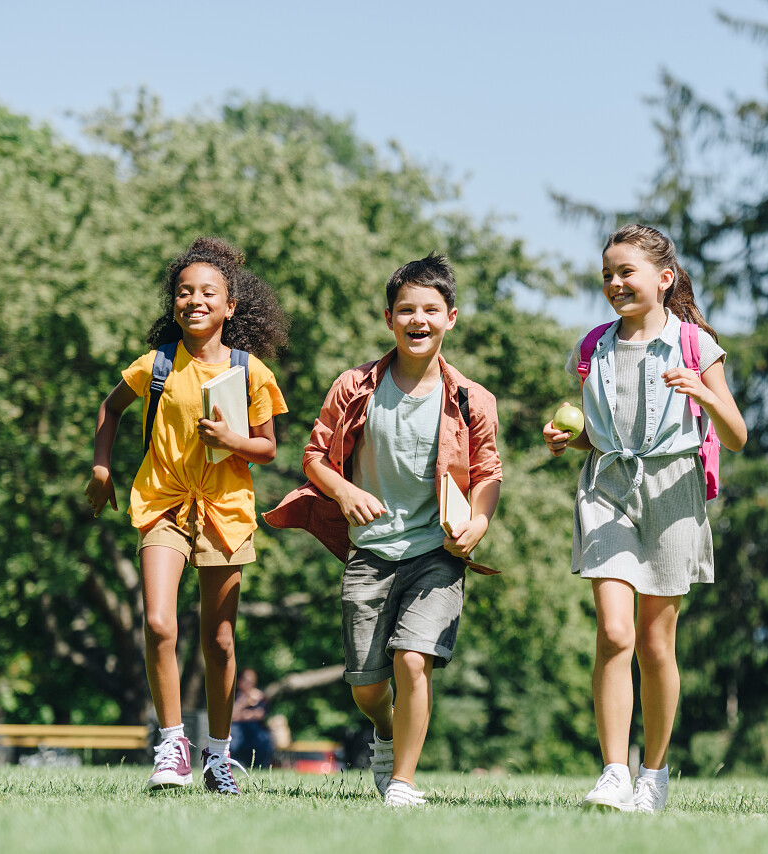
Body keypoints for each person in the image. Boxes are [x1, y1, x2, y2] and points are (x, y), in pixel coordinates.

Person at [543, 225, 746, 814]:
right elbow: (601, 434)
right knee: (614, 632)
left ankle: (653, 774)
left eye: (626, 272)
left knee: (656, 643)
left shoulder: (696, 346)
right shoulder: (593, 348)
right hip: (607, 489)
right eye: (607, 274)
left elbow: (735, 435)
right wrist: (571, 438)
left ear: (664, 277)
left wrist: (703, 395)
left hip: (674, 491)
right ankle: (613, 770)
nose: (614, 283)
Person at [290, 252, 501, 808]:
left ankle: (403, 782)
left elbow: (488, 472)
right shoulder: (355, 386)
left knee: (414, 659)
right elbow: (314, 457)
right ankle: (384, 732)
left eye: (431, 309)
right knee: (366, 684)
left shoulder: (471, 399)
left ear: (450, 318)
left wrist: (478, 520)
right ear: (389, 319)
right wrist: (346, 491)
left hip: (436, 552)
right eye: (406, 309)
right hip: (372, 552)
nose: (418, 319)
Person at [84, 237, 289, 794]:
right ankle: (171, 744)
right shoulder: (154, 365)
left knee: (219, 640)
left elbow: (269, 447)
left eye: (208, 292)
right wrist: (103, 469)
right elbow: (110, 409)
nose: (194, 300)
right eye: (183, 291)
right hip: (163, 503)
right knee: (157, 623)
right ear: (174, 303)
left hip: (224, 511)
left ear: (230, 306)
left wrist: (234, 438)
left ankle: (218, 756)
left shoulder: (252, 373)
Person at [231, 668, 275, 768]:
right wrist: (245, 701)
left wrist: (242, 715)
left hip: (255, 737)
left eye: (252, 682)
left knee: (263, 738)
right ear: (239, 682)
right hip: (237, 737)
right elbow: (231, 716)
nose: (250, 685)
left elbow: (260, 714)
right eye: (247, 681)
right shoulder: (233, 697)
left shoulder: (259, 697)